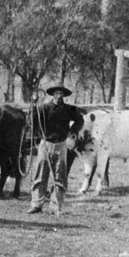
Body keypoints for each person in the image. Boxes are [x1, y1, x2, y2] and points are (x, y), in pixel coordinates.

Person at [28, 85, 84, 215]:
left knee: (60, 175)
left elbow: (79, 120)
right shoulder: (45, 108)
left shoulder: (69, 109)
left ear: (64, 96)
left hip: (61, 145)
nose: (59, 96)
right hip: (46, 144)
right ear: (52, 95)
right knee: (40, 174)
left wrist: (72, 131)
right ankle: (36, 204)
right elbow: (33, 121)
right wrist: (34, 104)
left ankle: (56, 205)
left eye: (61, 94)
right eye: (56, 93)